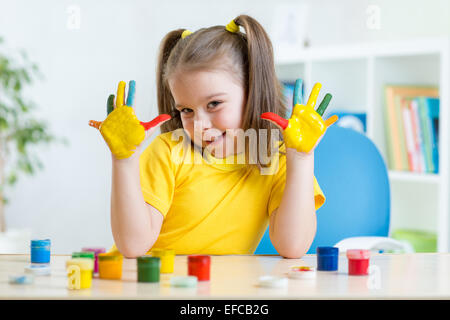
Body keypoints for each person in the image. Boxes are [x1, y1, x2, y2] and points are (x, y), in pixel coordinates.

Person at [89, 15, 336, 258]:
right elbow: (133, 246)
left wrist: (301, 158)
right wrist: (124, 160)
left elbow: (292, 246)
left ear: (253, 92)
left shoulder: (277, 160)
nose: (200, 124)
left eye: (214, 103)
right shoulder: (168, 152)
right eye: (186, 110)